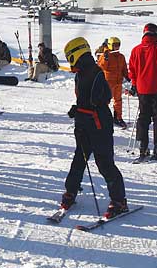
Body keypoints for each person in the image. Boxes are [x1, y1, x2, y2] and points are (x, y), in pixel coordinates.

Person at [59, 37, 129, 219]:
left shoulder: (96, 72)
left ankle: (119, 200)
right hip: (84, 123)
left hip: (99, 124)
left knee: (104, 162)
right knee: (79, 159)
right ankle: (71, 190)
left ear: (76, 55)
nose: (69, 62)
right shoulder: (81, 73)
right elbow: (83, 99)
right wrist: (78, 109)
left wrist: (86, 108)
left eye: (69, 57)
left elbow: (104, 98)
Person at [128, 22, 157, 159]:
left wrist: (135, 84)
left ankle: (143, 146)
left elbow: (132, 70)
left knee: (143, 117)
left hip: (142, 88)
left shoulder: (136, 50)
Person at [97, 37, 129, 127]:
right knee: (106, 100)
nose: (117, 47)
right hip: (108, 82)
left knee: (118, 101)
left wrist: (127, 76)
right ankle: (103, 117)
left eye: (118, 45)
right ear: (110, 45)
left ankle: (118, 118)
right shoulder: (105, 55)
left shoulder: (121, 56)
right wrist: (105, 59)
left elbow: (124, 68)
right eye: (115, 45)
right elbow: (101, 67)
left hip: (118, 82)